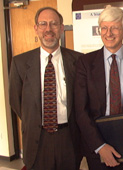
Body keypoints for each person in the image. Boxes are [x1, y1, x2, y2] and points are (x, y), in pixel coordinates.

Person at [74, 5, 123, 170]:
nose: (108, 33)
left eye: (114, 28)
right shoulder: (85, 63)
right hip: (97, 147)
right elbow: (81, 111)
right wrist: (100, 146)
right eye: (104, 28)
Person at [9, 7, 83, 170]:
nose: (48, 29)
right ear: (36, 28)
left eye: (54, 24)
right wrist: (34, 119)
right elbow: (16, 102)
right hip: (37, 140)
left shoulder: (78, 61)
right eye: (43, 24)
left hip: (69, 138)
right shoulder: (20, 63)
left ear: (61, 28)